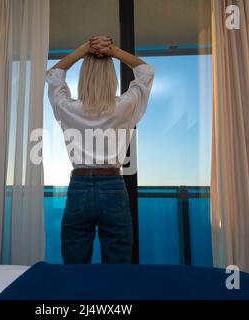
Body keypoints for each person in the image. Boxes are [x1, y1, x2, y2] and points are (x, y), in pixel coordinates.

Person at [45, 36, 155, 264]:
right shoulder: (124, 106)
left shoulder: (68, 108)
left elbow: (54, 74)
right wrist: (112, 51)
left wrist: (85, 49)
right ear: (112, 79)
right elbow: (145, 71)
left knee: (74, 268)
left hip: (79, 187)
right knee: (117, 267)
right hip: (113, 187)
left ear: (84, 78)